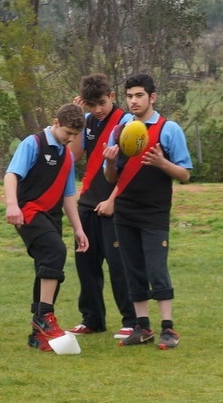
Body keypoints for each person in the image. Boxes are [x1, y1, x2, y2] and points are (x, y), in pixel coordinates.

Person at [103, 73, 192, 349]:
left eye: (139, 95)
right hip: (125, 211)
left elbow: (185, 174)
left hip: (155, 212)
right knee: (133, 269)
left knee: (156, 269)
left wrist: (162, 163)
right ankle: (142, 328)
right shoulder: (120, 129)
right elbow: (111, 179)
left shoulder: (169, 129)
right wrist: (109, 163)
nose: (133, 101)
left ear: (152, 97)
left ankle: (168, 329)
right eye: (129, 96)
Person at [4, 103, 89, 352]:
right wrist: (12, 205)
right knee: (55, 252)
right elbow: (11, 175)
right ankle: (45, 316)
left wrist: (78, 229)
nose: (70, 139)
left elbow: (68, 195)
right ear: (55, 122)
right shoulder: (33, 143)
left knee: (47, 265)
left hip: (51, 217)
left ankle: (38, 335)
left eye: (75, 136)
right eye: (67, 133)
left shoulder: (67, 156)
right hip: (27, 211)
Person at [67, 74, 136, 339]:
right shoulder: (87, 122)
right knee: (86, 262)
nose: (98, 109)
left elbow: (131, 168)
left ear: (112, 97)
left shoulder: (126, 123)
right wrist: (77, 117)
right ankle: (92, 319)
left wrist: (113, 201)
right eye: (92, 104)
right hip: (87, 202)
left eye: (102, 103)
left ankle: (131, 320)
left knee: (119, 265)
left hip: (114, 204)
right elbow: (73, 155)